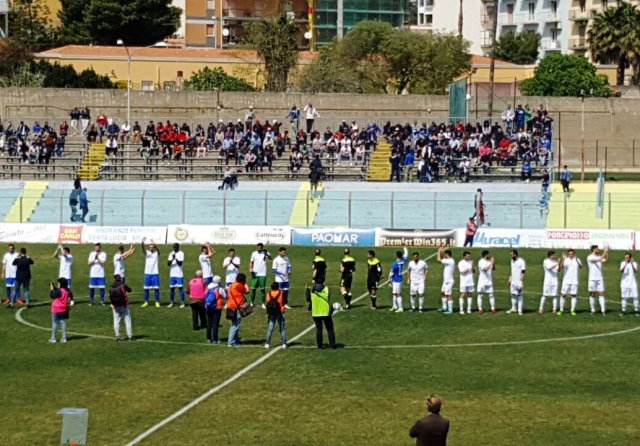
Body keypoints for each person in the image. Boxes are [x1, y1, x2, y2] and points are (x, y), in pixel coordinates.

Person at [307, 282, 336, 349]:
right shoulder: (326, 289)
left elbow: (308, 299)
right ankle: (332, 345)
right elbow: (328, 298)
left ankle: (319, 345)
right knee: (330, 329)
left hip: (316, 312)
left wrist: (307, 290)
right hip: (325, 312)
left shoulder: (313, 290)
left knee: (319, 329)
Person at [226, 272, 249, 347]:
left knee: (234, 324)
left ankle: (235, 340)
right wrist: (245, 284)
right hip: (236, 307)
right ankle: (231, 342)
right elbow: (247, 291)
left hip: (231, 306)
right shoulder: (238, 285)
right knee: (235, 325)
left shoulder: (232, 285)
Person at [109, 274, 134, 341]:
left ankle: (118, 337)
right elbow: (130, 290)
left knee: (116, 321)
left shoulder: (111, 287)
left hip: (115, 306)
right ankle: (130, 336)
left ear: (114, 279)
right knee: (127, 321)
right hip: (124, 305)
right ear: (120, 278)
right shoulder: (123, 285)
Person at [587, 244, 609, 316]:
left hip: (599, 278)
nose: (598, 250)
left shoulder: (599, 256)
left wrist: (607, 252)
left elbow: (606, 260)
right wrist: (605, 252)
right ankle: (593, 310)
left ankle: (603, 310)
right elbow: (599, 260)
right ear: (594, 250)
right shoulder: (590, 257)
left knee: (601, 293)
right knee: (592, 294)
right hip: (592, 278)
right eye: (597, 249)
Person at [558, 249, 581, 316]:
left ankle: (572, 310)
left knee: (573, 295)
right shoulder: (566, 260)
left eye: (572, 254)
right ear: (568, 254)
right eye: (569, 254)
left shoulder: (577, 259)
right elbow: (561, 267)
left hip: (574, 281)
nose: (570, 255)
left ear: (574, 254)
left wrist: (576, 259)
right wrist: (563, 259)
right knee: (563, 295)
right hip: (566, 281)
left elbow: (580, 266)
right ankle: (561, 310)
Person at [264, 282, 287, 349]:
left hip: (271, 313)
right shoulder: (281, 293)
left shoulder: (268, 294)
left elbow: (268, 302)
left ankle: (267, 343)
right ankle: (284, 344)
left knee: (270, 328)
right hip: (280, 312)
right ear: (278, 287)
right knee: (282, 329)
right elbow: (285, 301)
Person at [204, 276, 226, 343]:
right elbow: (224, 296)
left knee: (209, 323)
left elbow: (205, 295)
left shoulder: (208, 287)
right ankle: (215, 339)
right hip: (217, 307)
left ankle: (208, 338)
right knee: (215, 324)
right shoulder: (219, 288)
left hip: (208, 307)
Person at [49, 278, 72, 343]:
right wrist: (55, 287)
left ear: (61, 284)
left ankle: (53, 338)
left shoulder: (59, 291)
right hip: (63, 308)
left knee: (54, 322)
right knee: (63, 322)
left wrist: (51, 289)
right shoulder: (67, 291)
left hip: (56, 308)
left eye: (59, 283)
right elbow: (60, 292)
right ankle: (64, 338)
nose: (58, 284)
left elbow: (52, 296)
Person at [249, 243, 271, 308]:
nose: (259, 248)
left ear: (262, 247)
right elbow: (251, 262)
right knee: (253, 289)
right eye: (258, 247)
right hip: (255, 273)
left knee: (262, 289)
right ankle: (252, 302)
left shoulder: (265, 252)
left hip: (262, 273)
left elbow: (270, 258)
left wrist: (266, 253)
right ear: (257, 247)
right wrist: (251, 269)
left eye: (260, 247)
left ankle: (263, 303)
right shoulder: (254, 253)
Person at [141, 238, 161, 307]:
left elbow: (158, 250)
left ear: (154, 247)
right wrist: (142, 243)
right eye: (150, 247)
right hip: (147, 273)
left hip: (155, 273)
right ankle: (146, 302)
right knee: (146, 288)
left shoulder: (157, 253)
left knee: (156, 288)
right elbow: (143, 249)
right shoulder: (147, 252)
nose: (151, 248)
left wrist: (154, 243)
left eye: (152, 247)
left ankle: (157, 302)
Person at [388, 247, 408, 312]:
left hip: (397, 280)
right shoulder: (403, 260)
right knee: (394, 293)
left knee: (398, 294)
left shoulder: (394, 264)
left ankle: (400, 308)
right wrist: (405, 247)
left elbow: (391, 273)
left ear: (396, 255)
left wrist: (388, 280)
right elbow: (406, 254)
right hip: (396, 280)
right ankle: (394, 306)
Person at [507, 250, 526, 315]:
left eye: (511, 255)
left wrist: (521, 282)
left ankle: (520, 310)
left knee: (519, 296)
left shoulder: (521, 261)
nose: (511, 256)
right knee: (513, 295)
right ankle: (513, 308)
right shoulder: (512, 261)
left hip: (518, 282)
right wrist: (510, 279)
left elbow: (523, 272)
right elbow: (512, 271)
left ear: (515, 254)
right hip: (513, 281)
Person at [167, 243, 186, 308]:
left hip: (179, 274)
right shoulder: (171, 254)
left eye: (175, 247)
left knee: (180, 288)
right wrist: (172, 258)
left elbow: (180, 264)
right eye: (173, 247)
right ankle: (172, 302)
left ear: (178, 247)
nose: (174, 248)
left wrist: (176, 258)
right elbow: (168, 264)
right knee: (172, 288)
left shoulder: (181, 253)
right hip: (172, 274)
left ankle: (183, 302)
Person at [437, 247, 455, 315]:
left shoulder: (450, 261)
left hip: (449, 281)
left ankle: (450, 310)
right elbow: (442, 259)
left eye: (445, 254)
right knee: (442, 293)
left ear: (447, 254)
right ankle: (444, 308)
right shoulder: (447, 260)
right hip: (445, 281)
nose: (444, 255)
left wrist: (438, 252)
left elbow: (439, 260)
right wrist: (441, 253)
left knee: (448, 295)